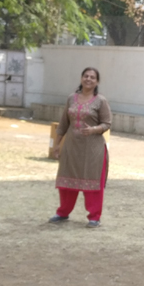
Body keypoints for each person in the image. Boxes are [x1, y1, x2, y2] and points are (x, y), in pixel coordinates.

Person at [49, 67, 112, 228]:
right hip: (71, 146)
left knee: (92, 183)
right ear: (81, 78)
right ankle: (63, 213)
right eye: (86, 76)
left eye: (92, 77)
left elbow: (107, 123)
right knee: (67, 179)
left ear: (97, 81)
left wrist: (93, 130)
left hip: (93, 149)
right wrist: (57, 145)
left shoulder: (100, 101)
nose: (88, 79)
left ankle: (94, 217)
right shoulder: (71, 98)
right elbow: (63, 123)